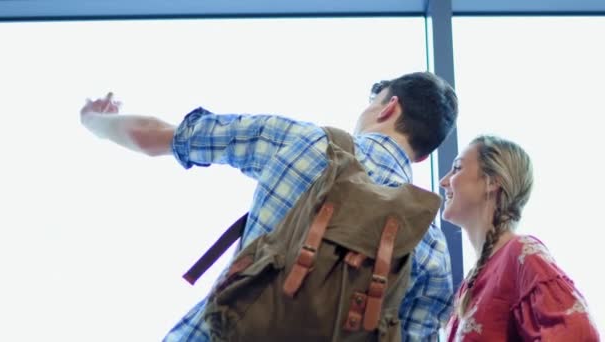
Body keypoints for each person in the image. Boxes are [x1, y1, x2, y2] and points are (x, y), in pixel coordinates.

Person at [79, 71, 459, 341]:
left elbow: (158, 139)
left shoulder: (302, 140)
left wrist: (95, 120)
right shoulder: (431, 244)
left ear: (388, 108)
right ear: (422, 156)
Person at [439, 135, 600, 341]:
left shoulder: (522, 253)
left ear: (493, 181)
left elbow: (579, 334)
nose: (443, 182)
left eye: (457, 168)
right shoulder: (471, 281)